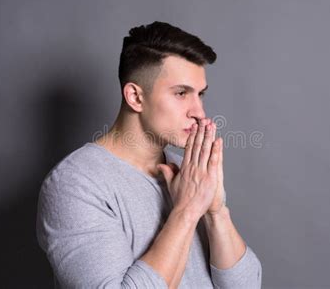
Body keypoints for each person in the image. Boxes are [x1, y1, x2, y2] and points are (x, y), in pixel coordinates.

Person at [36, 21, 262, 288]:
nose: (198, 112)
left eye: (200, 95)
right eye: (181, 93)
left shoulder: (190, 174)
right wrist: (188, 210)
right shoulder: (74, 185)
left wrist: (215, 212)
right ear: (135, 97)